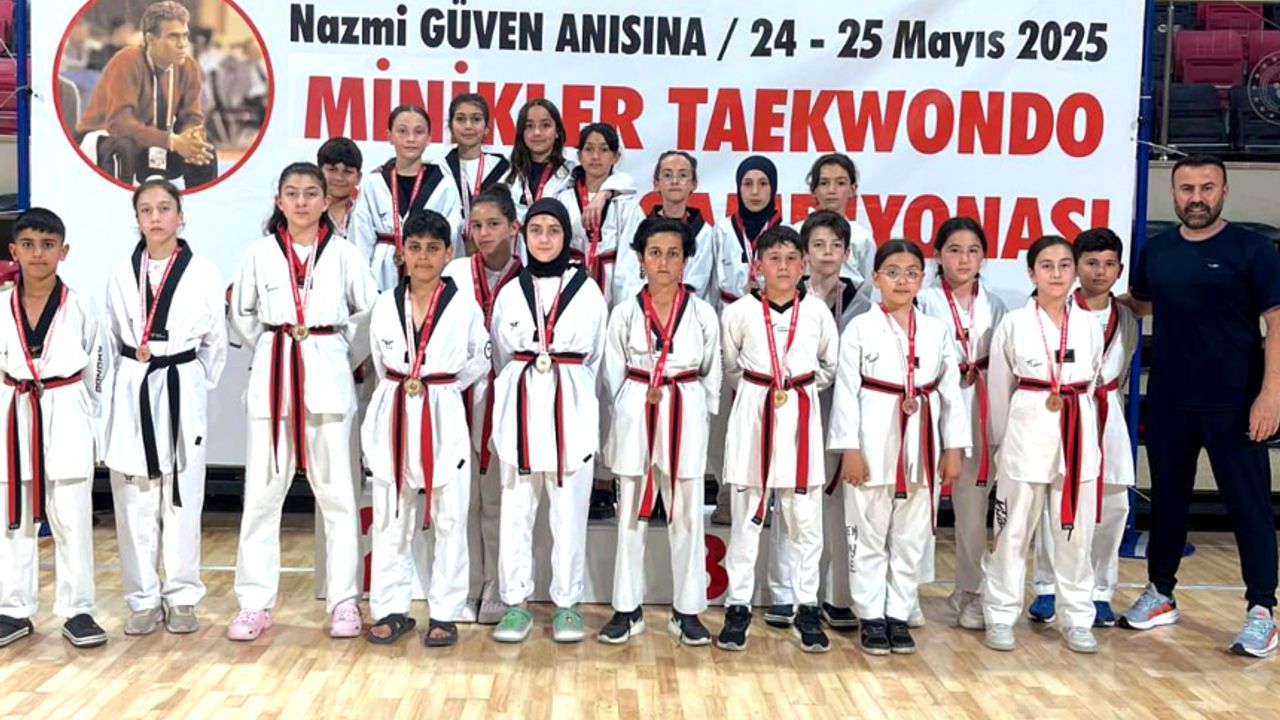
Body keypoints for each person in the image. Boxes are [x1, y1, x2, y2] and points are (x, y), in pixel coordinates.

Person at [1118, 155, 1280, 658]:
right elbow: (1143, 302)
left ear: (1224, 192)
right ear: (1174, 194)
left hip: (1235, 403)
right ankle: (1161, 593)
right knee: (1167, 501)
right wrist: (1092, 297)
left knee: (1249, 507)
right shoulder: (1159, 251)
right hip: (1171, 400)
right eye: (1187, 188)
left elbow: (1277, 323)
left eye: (1207, 187)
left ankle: (1262, 611)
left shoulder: (1252, 250)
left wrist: (1271, 395)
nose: (1196, 198)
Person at [226, 162, 379, 641]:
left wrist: (336, 353)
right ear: (279, 200)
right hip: (274, 378)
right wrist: (270, 346)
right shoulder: (259, 253)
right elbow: (242, 314)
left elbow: (368, 313)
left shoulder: (346, 254)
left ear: (325, 200)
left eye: (311, 193)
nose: (301, 202)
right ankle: (254, 602)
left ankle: (344, 601)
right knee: (261, 497)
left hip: (327, 378)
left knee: (338, 497)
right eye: (291, 193)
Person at [828, 239, 965, 655]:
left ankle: (898, 613)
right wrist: (849, 449)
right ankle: (871, 614)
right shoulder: (859, 328)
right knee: (867, 533)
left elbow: (951, 393)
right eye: (892, 272)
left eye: (911, 273)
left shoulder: (935, 331)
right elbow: (845, 392)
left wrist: (953, 447)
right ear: (876, 278)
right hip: (871, 442)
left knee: (910, 537)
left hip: (921, 443)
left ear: (922, 279)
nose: (902, 281)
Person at [104, 179, 227, 636]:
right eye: (146, 210)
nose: (155, 218)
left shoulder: (204, 272)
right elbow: (111, 335)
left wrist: (193, 381)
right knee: (135, 499)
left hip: (179, 383)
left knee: (182, 494)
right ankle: (142, 598)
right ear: (136, 218)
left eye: (163, 208)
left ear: (180, 214)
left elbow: (215, 343)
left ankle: (182, 596)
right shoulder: (122, 273)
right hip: (134, 384)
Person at [363, 210, 488, 647]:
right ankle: (391, 609)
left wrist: (443, 387)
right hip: (396, 408)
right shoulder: (385, 303)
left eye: (433, 248)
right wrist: (408, 384)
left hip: (442, 409)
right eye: (414, 247)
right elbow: (380, 360)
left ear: (448, 253)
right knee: (391, 517)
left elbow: (479, 358)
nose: (423, 256)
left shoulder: (464, 306)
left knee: (451, 517)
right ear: (402, 251)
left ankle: (445, 612)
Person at [488, 198, 608, 644]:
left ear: (565, 236)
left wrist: (568, 385)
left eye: (553, 231)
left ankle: (567, 604)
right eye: (536, 230)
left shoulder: (587, 289)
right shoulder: (510, 290)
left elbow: (596, 355)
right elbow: (502, 352)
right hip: (521, 407)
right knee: (516, 512)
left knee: (569, 512)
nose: (543, 239)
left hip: (570, 408)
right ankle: (515, 603)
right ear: (524, 234)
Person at [598, 217, 721, 646]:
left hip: (684, 407)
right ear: (640, 259)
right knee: (630, 514)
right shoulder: (624, 312)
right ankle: (626, 608)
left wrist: (699, 416)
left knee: (687, 516)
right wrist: (628, 407)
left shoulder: (702, 313)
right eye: (655, 253)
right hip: (638, 408)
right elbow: (612, 373)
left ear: (686, 261)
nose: (664, 262)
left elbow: (711, 373)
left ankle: (687, 611)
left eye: (673, 254)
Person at [716, 226, 838, 653]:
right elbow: (730, 366)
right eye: (774, 259)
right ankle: (737, 606)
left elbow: (829, 366)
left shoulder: (817, 312)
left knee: (805, 523)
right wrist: (760, 391)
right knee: (746, 520)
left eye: (791, 259)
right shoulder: (739, 312)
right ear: (758, 266)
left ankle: (806, 606)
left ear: (803, 264)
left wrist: (795, 390)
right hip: (754, 415)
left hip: (800, 416)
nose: (783, 267)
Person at [982, 235, 1104, 654]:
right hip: (1025, 434)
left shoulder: (1089, 325)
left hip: (1076, 434)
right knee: (1012, 532)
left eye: (1064, 265)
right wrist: (1002, 442)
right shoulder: (1014, 323)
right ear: (1031, 272)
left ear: (1075, 271)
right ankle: (1000, 614)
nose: (1056, 273)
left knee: (1076, 537)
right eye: (1046, 265)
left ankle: (1078, 617)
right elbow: (1000, 389)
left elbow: (1094, 382)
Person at [0, 208, 112, 649]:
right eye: (28, 245)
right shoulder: (1, 305)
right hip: (14, 411)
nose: (38, 254)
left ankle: (78, 609)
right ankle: (13, 608)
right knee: (12, 516)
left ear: (64, 251)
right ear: (14, 251)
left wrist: (86, 413)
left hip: (66, 406)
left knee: (72, 516)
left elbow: (99, 365)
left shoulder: (81, 305)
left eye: (48, 245)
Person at [767, 210, 872, 632]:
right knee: (789, 499)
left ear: (847, 253)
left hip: (848, 411)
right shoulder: (786, 296)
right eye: (818, 245)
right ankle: (784, 593)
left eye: (836, 246)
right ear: (805, 254)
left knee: (840, 506)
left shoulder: (864, 301)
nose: (827, 253)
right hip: (796, 405)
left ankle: (836, 595)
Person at [1028, 228, 1138, 628]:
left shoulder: (1126, 317)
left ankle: (1101, 591)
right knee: (1057, 501)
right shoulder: (1053, 309)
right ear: (1076, 268)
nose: (1100, 272)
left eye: (1109, 264)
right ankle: (1047, 586)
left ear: (1120, 270)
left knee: (1114, 503)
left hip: (1108, 413)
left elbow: (1122, 370)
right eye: (1091, 263)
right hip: (1065, 413)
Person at [916, 217, 1006, 631]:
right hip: (932, 402)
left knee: (973, 505)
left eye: (973, 250)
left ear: (984, 256)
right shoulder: (923, 300)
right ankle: (907, 588)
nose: (964, 259)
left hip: (979, 406)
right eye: (954, 250)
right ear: (937, 255)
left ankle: (970, 589)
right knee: (919, 501)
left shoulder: (996, 305)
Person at [443, 188, 524, 625]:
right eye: (477, 225)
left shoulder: (527, 277)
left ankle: (495, 584)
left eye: (494, 224)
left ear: (514, 227)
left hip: (505, 400)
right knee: (461, 501)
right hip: (458, 395)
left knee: (495, 501)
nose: (485, 233)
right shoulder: (455, 272)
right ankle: (466, 585)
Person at [76, 1, 216, 188]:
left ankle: (200, 203)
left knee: (204, 151)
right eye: (173, 37)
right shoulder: (127, 60)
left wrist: (192, 138)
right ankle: (117, 202)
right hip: (105, 138)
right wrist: (172, 142)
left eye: (185, 36)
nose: (182, 44)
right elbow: (120, 124)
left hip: (158, 140)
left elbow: (192, 117)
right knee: (123, 147)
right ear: (150, 39)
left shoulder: (188, 65)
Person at [350, 105, 464, 291]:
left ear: (429, 138)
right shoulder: (373, 183)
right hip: (380, 273)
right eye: (402, 131)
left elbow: (451, 236)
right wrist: (363, 289)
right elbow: (360, 238)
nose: (411, 139)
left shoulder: (444, 185)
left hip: (429, 268)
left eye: (419, 132)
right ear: (389, 136)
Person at [612, 151, 716, 305]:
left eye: (682, 175)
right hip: (644, 311)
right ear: (656, 183)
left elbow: (700, 285)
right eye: (667, 175)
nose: (675, 181)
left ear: (694, 184)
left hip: (686, 313)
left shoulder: (704, 233)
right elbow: (628, 279)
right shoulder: (640, 229)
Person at [793, 153, 876, 286]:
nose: (832, 190)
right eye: (824, 183)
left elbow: (869, 288)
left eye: (841, 183)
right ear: (813, 189)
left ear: (853, 189)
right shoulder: (796, 232)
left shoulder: (862, 238)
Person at [443, 94, 510, 255]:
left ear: (486, 127)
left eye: (476, 119)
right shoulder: (438, 170)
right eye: (460, 119)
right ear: (450, 126)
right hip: (450, 258)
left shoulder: (504, 169)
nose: (468, 126)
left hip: (494, 257)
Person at [317, 137, 363, 239]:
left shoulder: (364, 213)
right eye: (332, 170)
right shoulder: (307, 212)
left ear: (359, 177)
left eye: (347, 171)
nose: (339, 177)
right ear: (318, 172)